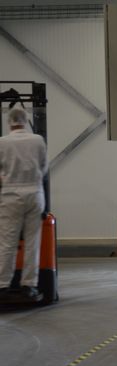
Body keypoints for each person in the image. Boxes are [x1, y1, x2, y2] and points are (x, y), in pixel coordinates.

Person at [0, 107, 48, 293]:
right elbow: (44, 167)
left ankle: (3, 284)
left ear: (9, 122)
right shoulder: (38, 140)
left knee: (7, 242)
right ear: (26, 120)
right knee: (32, 242)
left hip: (11, 195)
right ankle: (29, 284)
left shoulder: (3, 142)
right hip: (35, 193)